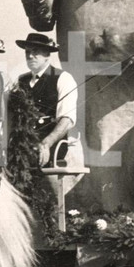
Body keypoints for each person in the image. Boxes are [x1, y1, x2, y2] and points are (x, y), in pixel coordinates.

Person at [14, 32, 82, 170]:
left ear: (47, 55)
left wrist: (46, 143)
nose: (30, 56)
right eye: (27, 52)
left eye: (35, 52)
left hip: (51, 148)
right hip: (22, 149)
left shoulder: (63, 78)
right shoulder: (21, 81)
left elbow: (66, 120)